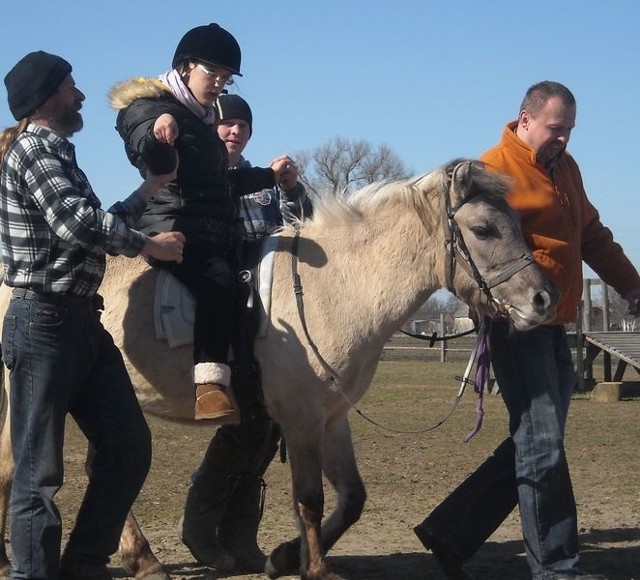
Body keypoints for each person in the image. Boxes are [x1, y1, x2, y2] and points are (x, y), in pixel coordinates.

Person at [413, 81, 640, 580]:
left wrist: (631, 285)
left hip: (558, 323)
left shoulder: (566, 169)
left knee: (536, 442)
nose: (564, 140)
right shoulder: (492, 170)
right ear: (524, 119)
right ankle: (557, 568)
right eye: (557, 129)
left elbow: (593, 234)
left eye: (570, 131)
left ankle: (451, 530)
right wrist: (482, 305)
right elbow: (473, 247)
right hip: (517, 326)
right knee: (542, 445)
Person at [0, 51, 185, 580]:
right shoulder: (35, 150)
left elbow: (95, 221)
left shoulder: (56, 152)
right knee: (38, 472)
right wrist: (149, 245)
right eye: (71, 86)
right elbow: (77, 224)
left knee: (128, 445)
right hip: (44, 323)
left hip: (80, 322)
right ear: (45, 98)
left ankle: (83, 562)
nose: (81, 95)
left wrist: (146, 191)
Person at [109, 23, 293, 423]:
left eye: (226, 78)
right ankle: (208, 385)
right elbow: (140, 135)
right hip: (170, 224)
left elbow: (220, 183)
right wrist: (157, 136)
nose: (219, 84)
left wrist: (268, 176)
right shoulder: (152, 107)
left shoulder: (201, 120)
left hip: (211, 229)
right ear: (186, 66)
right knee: (218, 280)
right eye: (213, 73)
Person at [178, 93, 313, 573]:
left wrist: (294, 189)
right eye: (226, 123)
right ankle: (200, 523)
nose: (234, 131)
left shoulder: (264, 185)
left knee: (266, 422)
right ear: (212, 130)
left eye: (241, 125)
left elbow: (301, 225)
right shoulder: (192, 175)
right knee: (244, 418)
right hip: (216, 299)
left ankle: (239, 532)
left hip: (265, 308)